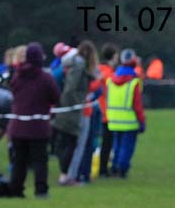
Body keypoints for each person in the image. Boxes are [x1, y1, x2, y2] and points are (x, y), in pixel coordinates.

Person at [6, 43, 60, 198]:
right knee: (40, 160)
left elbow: (13, 91)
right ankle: (41, 190)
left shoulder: (18, 75)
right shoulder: (45, 78)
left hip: (17, 125)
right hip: (38, 126)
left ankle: (16, 190)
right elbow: (56, 98)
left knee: (19, 161)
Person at [53, 42, 95, 186]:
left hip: (65, 108)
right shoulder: (78, 66)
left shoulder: (69, 65)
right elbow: (71, 89)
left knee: (66, 143)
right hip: (72, 109)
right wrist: (78, 103)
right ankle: (68, 176)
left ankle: (66, 174)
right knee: (73, 143)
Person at [107, 49, 146, 178]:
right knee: (127, 147)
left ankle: (114, 167)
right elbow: (137, 105)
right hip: (129, 120)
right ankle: (122, 169)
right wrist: (142, 121)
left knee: (116, 145)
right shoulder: (133, 81)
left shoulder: (111, 79)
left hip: (113, 119)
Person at [97, 44, 119, 177]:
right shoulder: (109, 73)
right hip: (105, 111)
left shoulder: (98, 69)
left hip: (96, 109)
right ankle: (103, 169)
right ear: (113, 56)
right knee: (107, 142)